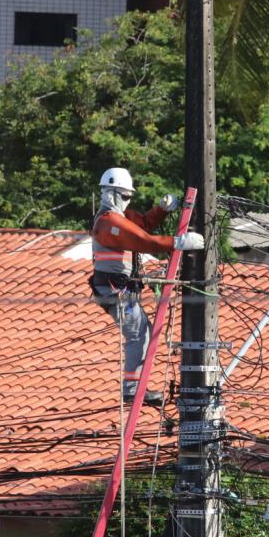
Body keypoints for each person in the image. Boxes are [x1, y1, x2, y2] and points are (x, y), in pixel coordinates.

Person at [89, 167, 204, 406]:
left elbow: (143, 225)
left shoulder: (119, 219)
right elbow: (144, 241)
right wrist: (177, 243)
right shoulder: (108, 223)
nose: (127, 201)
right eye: (125, 196)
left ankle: (133, 387)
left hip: (121, 290)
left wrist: (161, 210)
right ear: (111, 194)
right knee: (138, 335)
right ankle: (131, 390)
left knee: (144, 332)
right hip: (114, 290)